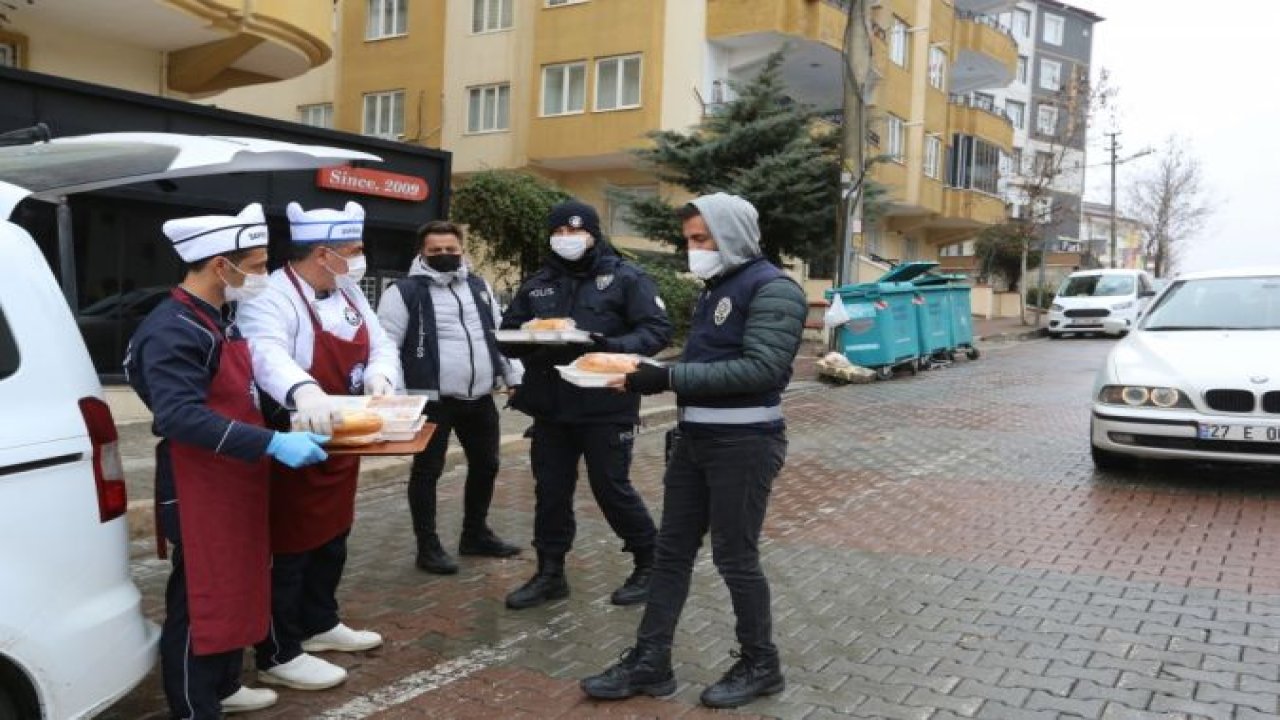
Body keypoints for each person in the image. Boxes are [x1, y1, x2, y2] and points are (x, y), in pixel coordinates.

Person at [580, 193, 806, 709]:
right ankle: (650, 662)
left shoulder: (774, 289)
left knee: (735, 557)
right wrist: (637, 369)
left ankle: (760, 663)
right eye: (689, 241)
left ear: (732, 236)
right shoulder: (717, 288)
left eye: (702, 239)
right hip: (695, 440)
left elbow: (762, 368)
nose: (694, 250)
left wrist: (664, 377)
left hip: (744, 444)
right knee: (670, 554)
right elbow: (709, 358)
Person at [124, 203, 331, 719]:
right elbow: (178, 417)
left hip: (234, 477)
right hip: (198, 486)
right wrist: (270, 444)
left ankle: (221, 684)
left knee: (237, 583)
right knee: (200, 599)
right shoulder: (173, 328)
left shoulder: (216, 317)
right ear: (222, 266)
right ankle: (195, 706)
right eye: (258, 266)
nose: (263, 276)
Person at [237, 201, 401, 691]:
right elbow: (264, 351)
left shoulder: (347, 287)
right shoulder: (270, 295)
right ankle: (279, 649)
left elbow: (381, 343)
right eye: (354, 250)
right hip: (296, 434)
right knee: (289, 547)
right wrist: (303, 391)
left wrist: (380, 375)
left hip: (344, 435)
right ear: (324, 254)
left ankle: (319, 622)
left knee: (332, 536)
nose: (361, 258)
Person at [499, 200, 672, 610]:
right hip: (551, 406)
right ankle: (549, 574)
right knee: (551, 492)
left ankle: (651, 564)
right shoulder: (538, 283)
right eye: (558, 233)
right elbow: (508, 333)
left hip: (606, 401)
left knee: (611, 487)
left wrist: (608, 347)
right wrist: (530, 345)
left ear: (593, 234)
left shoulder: (626, 278)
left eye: (575, 232)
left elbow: (656, 330)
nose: (567, 240)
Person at [376, 220, 523, 574]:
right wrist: (395, 398)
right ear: (422, 253)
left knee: (486, 466)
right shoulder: (404, 291)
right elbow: (386, 347)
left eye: (451, 250)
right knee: (427, 473)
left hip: (479, 398)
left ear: (462, 251)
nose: (444, 256)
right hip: (431, 401)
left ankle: (475, 534)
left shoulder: (479, 286)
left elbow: (497, 334)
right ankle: (427, 546)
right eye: (435, 251)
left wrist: (513, 376)